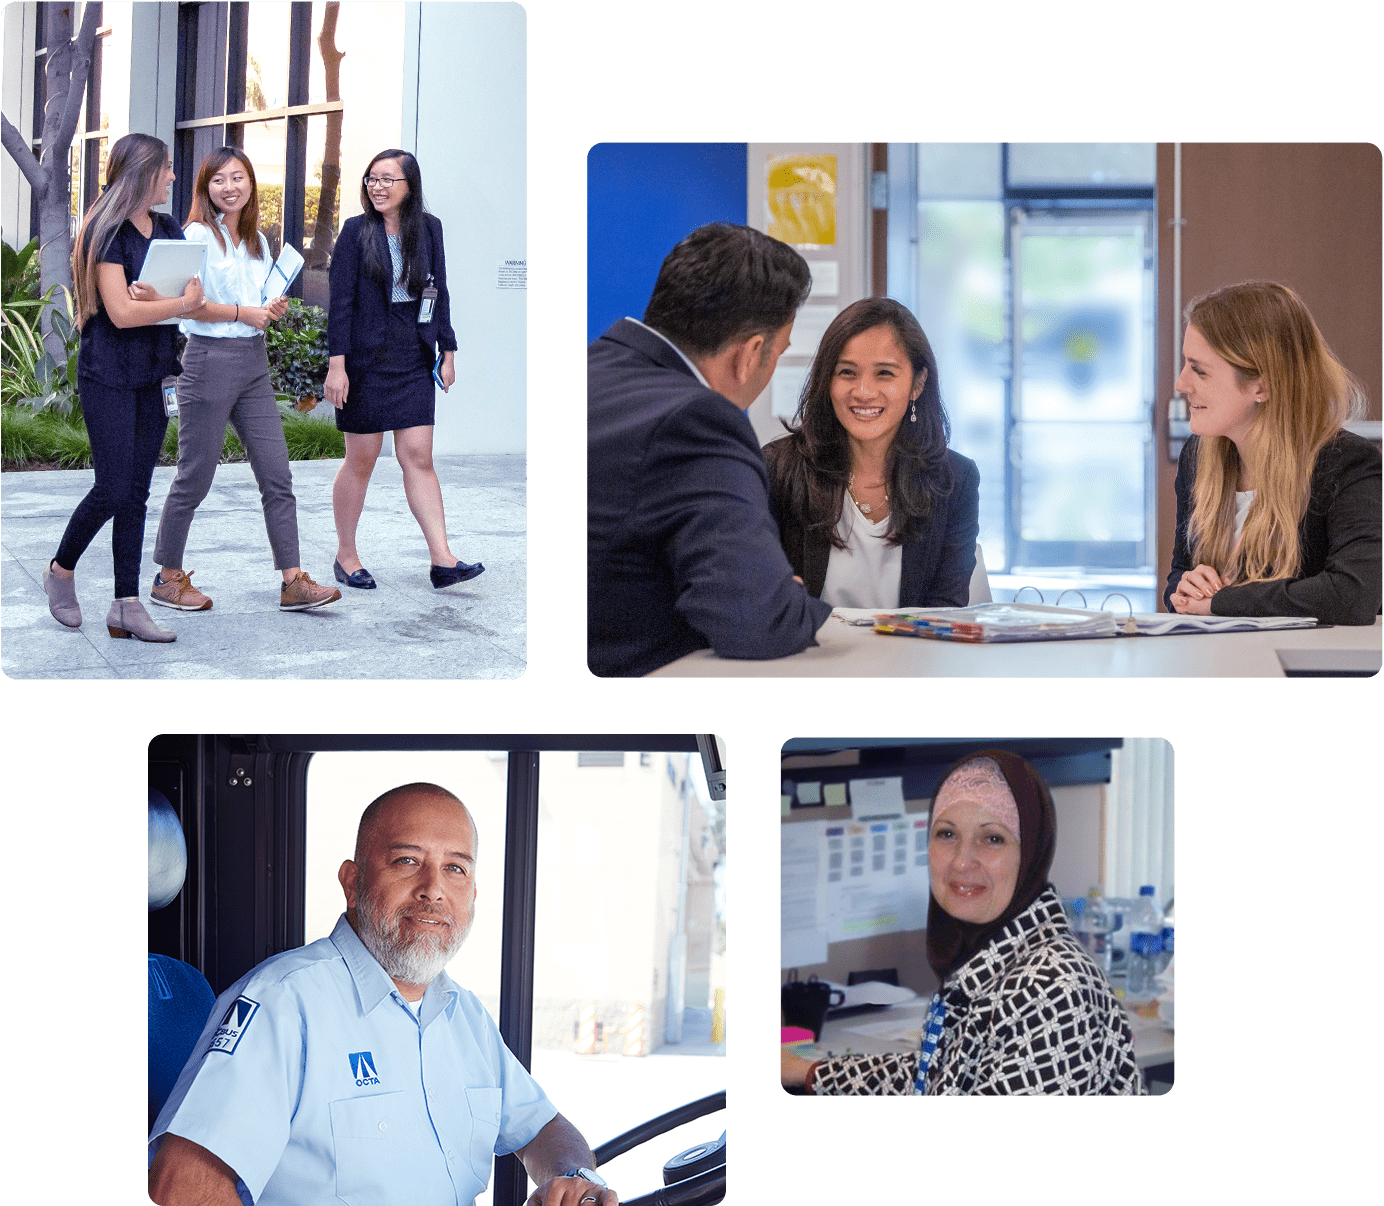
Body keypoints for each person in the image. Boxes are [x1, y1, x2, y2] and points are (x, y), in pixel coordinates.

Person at [149, 783, 619, 1206]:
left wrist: (572, 1179)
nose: (433, 890)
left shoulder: (465, 1017)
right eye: (407, 861)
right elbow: (181, 1185)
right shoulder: (284, 1004)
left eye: (455, 868)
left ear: (473, 895)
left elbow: (543, 1128)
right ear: (353, 883)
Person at [780, 751, 1145, 1096]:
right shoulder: (990, 963)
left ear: (1030, 855)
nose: (961, 861)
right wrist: (809, 1072)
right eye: (947, 834)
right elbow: (936, 1078)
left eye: (992, 838)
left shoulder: (1051, 988)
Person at [587, 222, 832, 676]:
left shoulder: (590, 368)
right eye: (779, 352)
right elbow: (757, 620)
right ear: (749, 353)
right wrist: (788, 597)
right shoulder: (698, 421)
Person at [145, 146, 341, 614]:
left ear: (251, 183)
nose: (229, 187)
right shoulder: (195, 235)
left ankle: (293, 580)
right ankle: (167, 576)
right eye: (219, 180)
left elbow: (258, 307)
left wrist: (268, 311)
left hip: (253, 363)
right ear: (205, 188)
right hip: (208, 360)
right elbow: (188, 304)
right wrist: (245, 312)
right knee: (195, 476)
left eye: (237, 178)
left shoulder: (257, 240)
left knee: (277, 473)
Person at [41, 133, 203, 642]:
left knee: (136, 493)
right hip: (108, 374)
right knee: (111, 487)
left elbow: (186, 293)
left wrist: (168, 299)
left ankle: (126, 605)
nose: (175, 178)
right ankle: (61, 569)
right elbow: (123, 313)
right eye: (168, 169)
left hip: (154, 374)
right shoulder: (106, 233)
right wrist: (173, 304)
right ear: (143, 173)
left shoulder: (168, 227)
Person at [1164, 280, 1381, 624]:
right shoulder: (1197, 455)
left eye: (1199, 370)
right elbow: (1179, 574)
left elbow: (1353, 595)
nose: (1180, 383)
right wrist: (1186, 587)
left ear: (1261, 385)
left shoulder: (1347, 464)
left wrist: (1223, 602)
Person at [324, 149, 482, 591]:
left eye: (388, 179)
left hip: (412, 354)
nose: (377, 186)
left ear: (409, 186)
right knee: (362, 459)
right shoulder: (356, 231)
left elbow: (440, 291)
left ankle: (442, 560)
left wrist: (447, 351)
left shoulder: (429, 229)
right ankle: (347, 554)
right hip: (364, 357)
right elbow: (340, 304)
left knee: (419, 457)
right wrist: (337, 367)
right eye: (372, 178)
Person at [763, 298, 979, 608]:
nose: (863, 392)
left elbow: (946, 608)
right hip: (807, 654)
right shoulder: (778, 470)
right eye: (847, 372)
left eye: (885, 374)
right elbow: (765, 598)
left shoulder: (956, 480)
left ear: (917, 384)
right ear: (827, 382)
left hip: (913, 654)